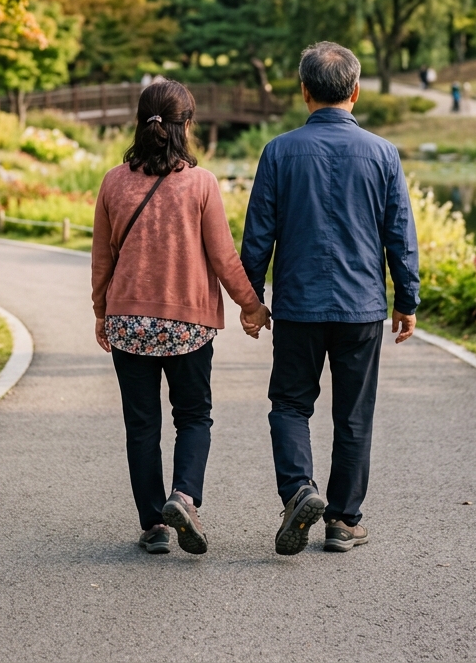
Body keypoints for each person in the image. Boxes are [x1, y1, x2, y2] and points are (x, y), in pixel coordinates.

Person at [240, 42, 420, 556]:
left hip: (298, 305)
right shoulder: (383, 153)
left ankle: (298, 490)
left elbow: (258, 236)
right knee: (354, 414)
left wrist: (252, 301)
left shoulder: (278, 151)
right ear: (356, 92)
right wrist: (406, 299)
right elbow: (399, 235)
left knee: (290, 405)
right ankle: (343, 521)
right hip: (362, 306)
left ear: (304, 92)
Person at [91, 80, 270, 556]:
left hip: (128, 321)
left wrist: (100, 312)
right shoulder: (201, 182)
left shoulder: (113, 181)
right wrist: (251, 306)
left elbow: (101, 260)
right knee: (193, 417)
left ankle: (153, 525)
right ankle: (184, 497)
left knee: (141, 426)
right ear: (186, 126)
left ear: (140, 123)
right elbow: (224, 258)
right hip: (188, 327)